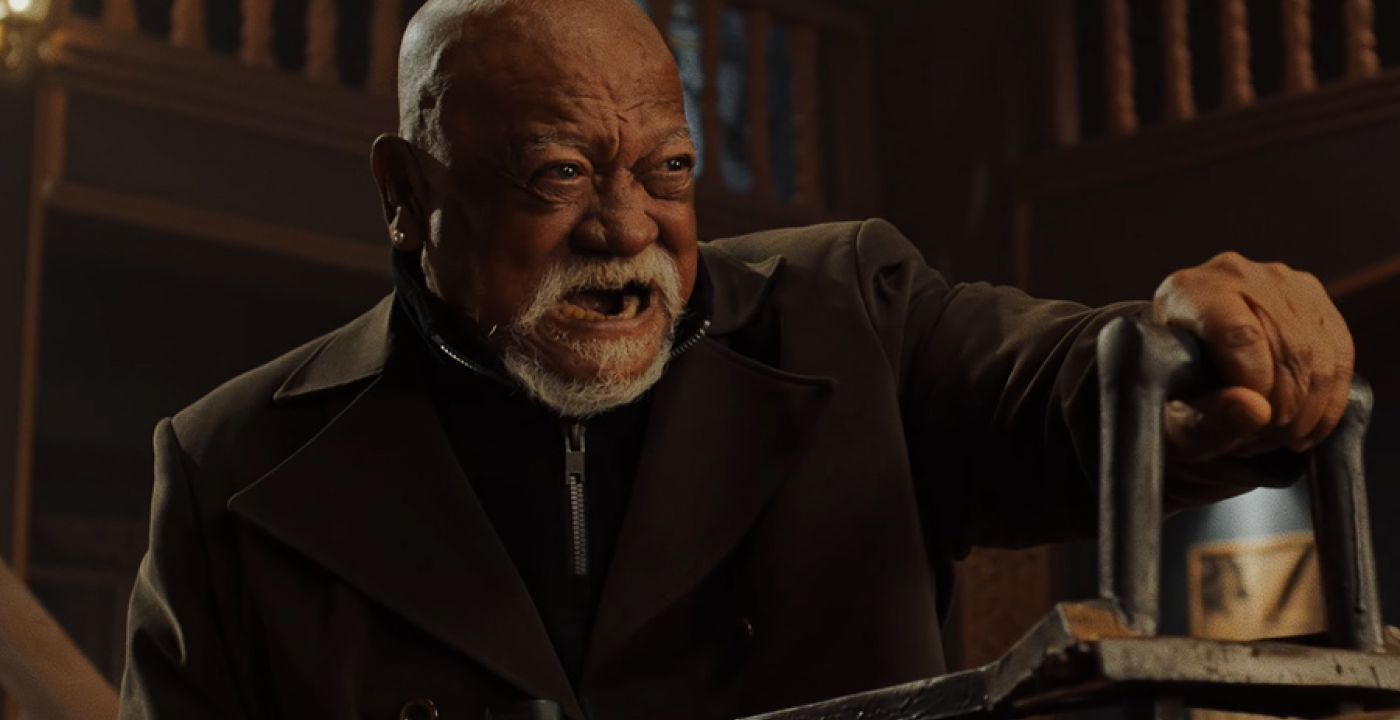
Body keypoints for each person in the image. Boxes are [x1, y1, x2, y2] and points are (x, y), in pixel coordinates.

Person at [116, 0, 1357, 717]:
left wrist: (1188, 364)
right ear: (404, 192)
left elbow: (1062, 387)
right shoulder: (234, 466)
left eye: (666, 170)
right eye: (557, 174)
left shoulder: (852, 312)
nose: (624, 229)